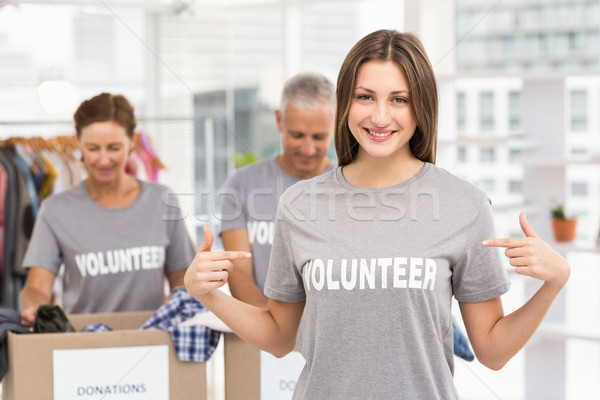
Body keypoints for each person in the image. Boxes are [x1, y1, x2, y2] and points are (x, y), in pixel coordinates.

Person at [184, 30, 570, 399]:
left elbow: (492, 350)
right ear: (345, 104)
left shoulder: (464, 205)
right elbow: (280, 337)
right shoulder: (298, 205)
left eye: (399, 99)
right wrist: (208, 295)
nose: (380, 116)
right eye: (365, 97)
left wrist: (553, 282)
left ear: (422, 106)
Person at [19, 93, 195, 328]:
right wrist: (34, 308)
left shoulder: (162, 201)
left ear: (132, 141)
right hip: (84, 345)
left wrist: (181, 301)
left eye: (114, 148)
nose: (103, 160)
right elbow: (37, 287)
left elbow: (181, 274)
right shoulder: (55, 210)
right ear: (79, 143)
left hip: (153, 341)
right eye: (93, 148)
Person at [220, 72, 335, 309]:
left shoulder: (350, 186)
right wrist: (274, 334)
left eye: (319, 137)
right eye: (297, 135)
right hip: (261, 331)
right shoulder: (241, 184)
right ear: (279, 120)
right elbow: (238, 275)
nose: (308, 148)